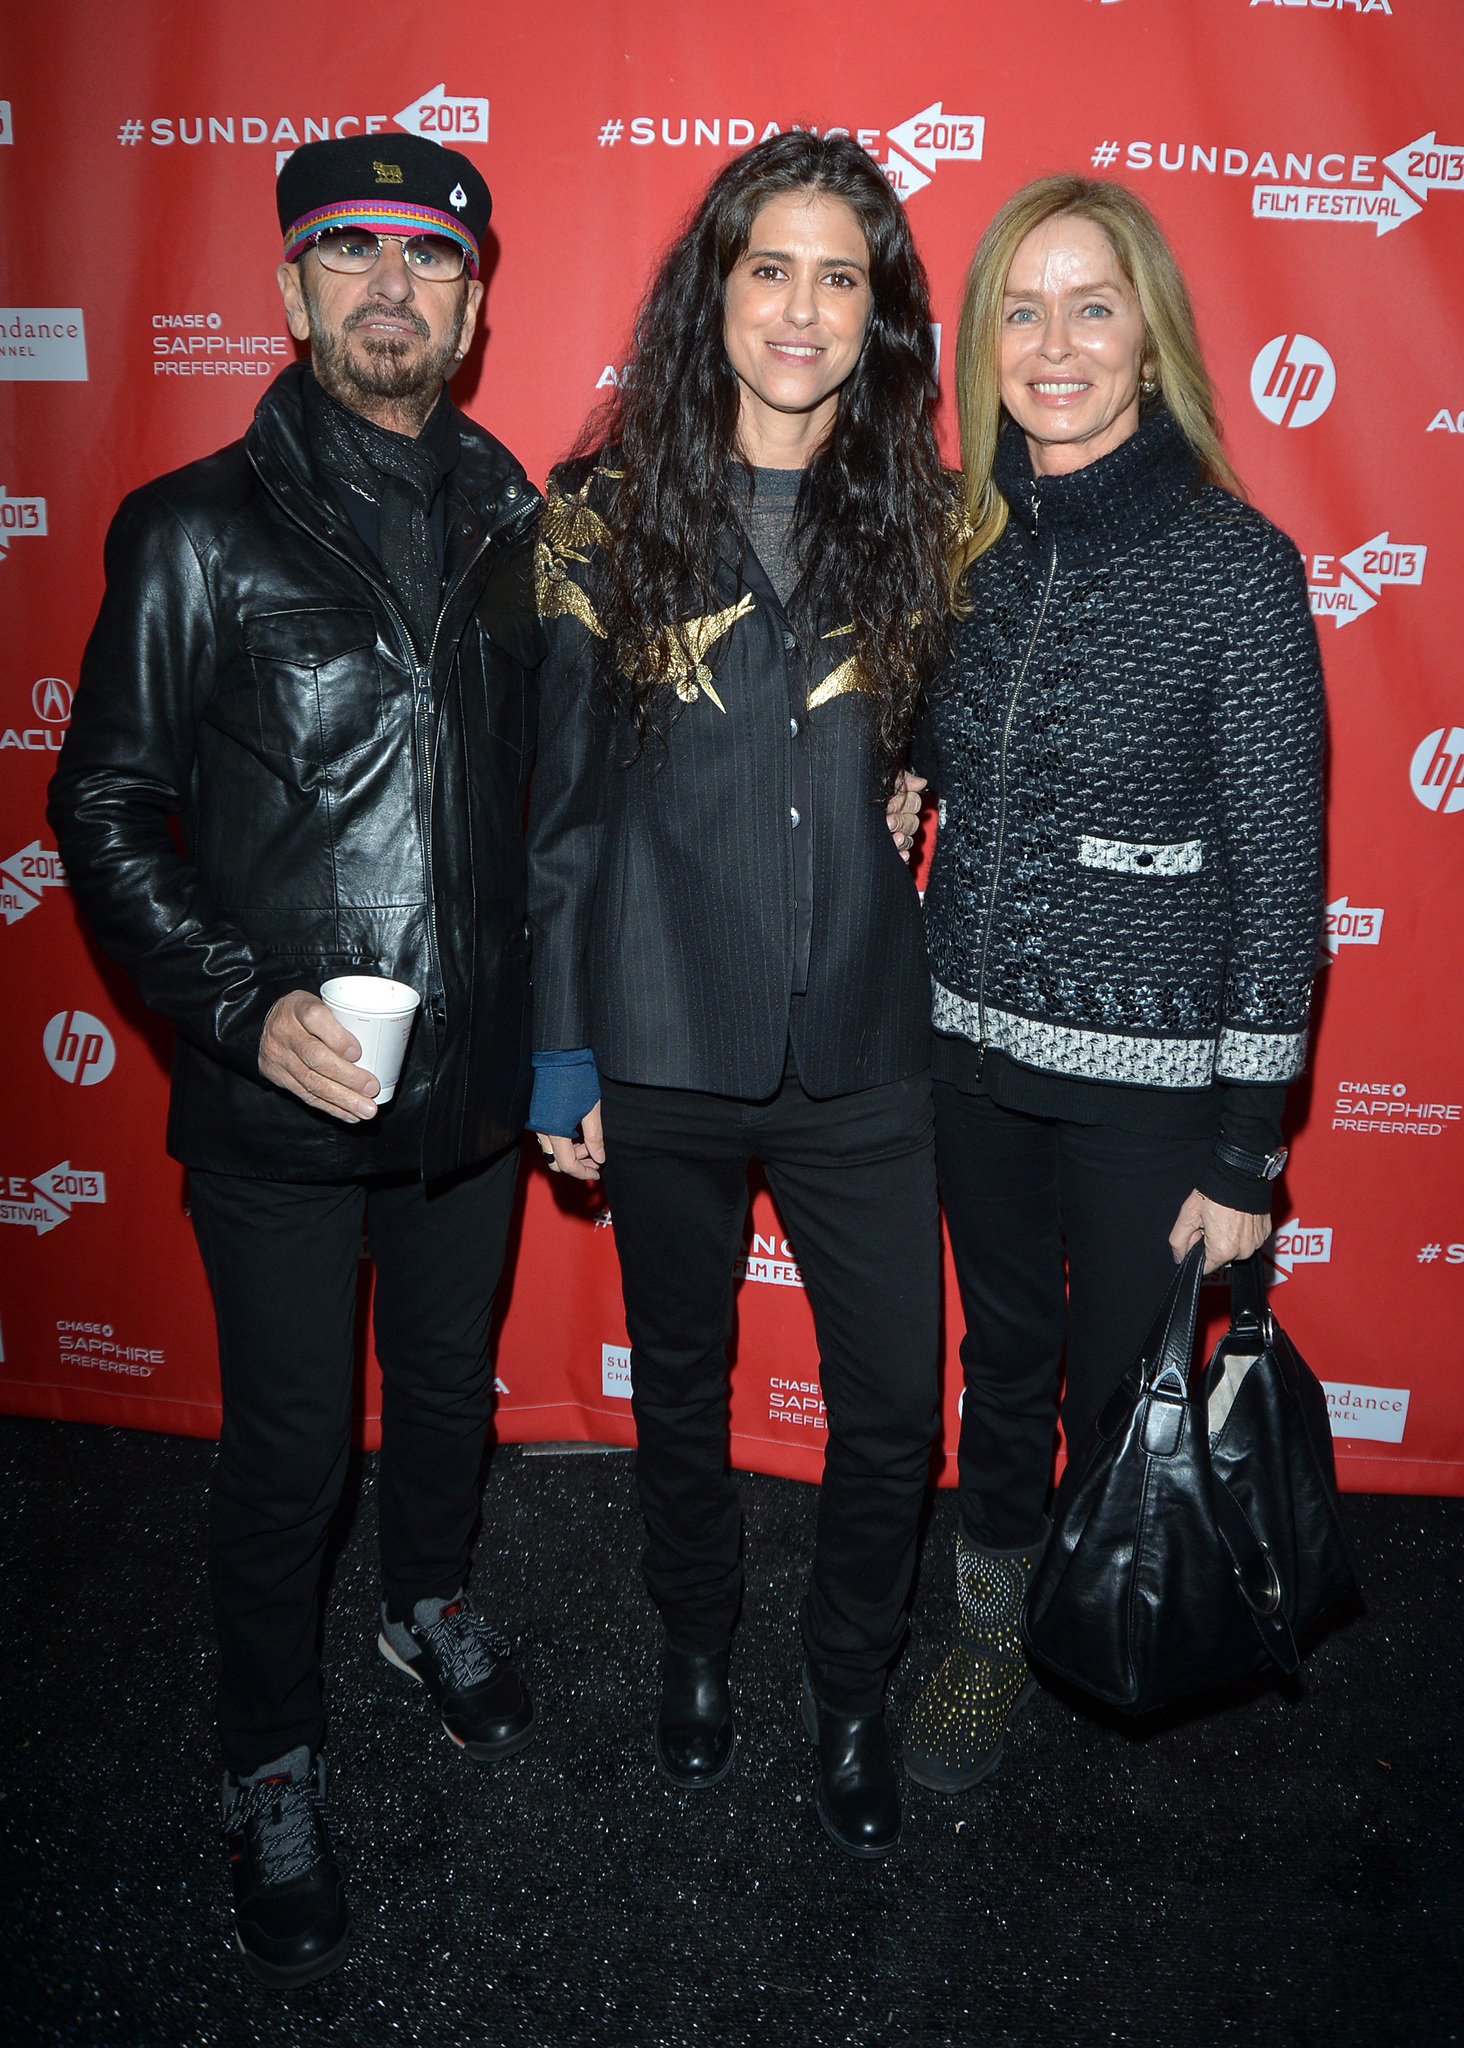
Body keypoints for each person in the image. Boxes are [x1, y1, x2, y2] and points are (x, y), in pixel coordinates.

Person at [48, 134, 545, 1987]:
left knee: (443, 1393)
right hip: (273, 1095)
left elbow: (546, 812)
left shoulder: (520, 517)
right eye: (350, 253)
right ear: (288, 291)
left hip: (471, 1093)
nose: (392, 285)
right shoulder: (193, 528)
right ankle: (269, 1752)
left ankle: (428, 1607)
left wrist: (549, 1057)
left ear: (476, 304)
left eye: (432, 255)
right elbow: (104, 805)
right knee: (281, 1450)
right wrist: (247, 1005)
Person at [526, 132, 949, 1858]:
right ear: (716, 294)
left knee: (894, 1406)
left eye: (840, 275)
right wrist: (562, 1057)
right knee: (682, 1383)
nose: (802, 306)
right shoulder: (601, 518)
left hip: (861, 1044)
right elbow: (561, 818)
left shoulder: (933, 518)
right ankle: (696, 1650)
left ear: (880, 313)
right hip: (665, 1038)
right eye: (769, 268)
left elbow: (926, 751)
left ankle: (850, 1684)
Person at [902, 175, 1324, 1792]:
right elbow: (925, 760)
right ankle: (993, 1643)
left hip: (1156, 1093)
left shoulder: (1238, 565)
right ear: (983, 341)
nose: (1055, 342)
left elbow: (1283, 874)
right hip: (965, 1058)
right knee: (1000, 1367)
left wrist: (1246, 1147)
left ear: (1149, 336)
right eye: (1022, 307)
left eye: (1093, 305)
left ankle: (1107, 1626)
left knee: (1112, 1388)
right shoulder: (963, 546)